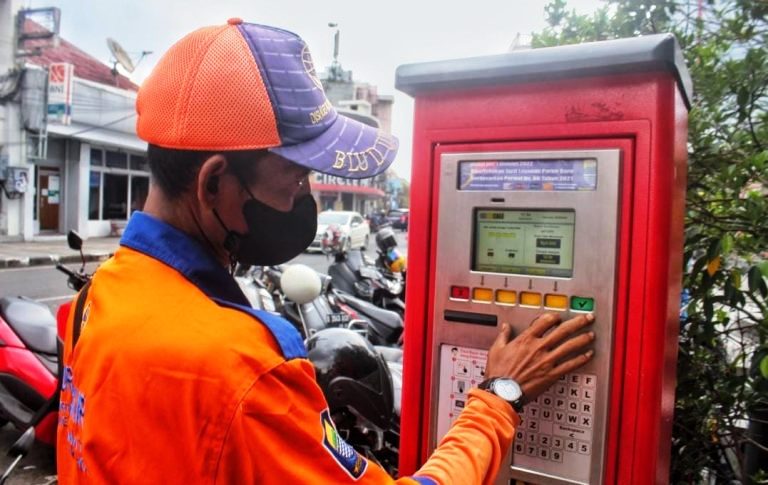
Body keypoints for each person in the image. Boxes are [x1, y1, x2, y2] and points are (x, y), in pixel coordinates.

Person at [56, 19, 595, 484]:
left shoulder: (93, 302)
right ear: (215, 181)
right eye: (294, 178)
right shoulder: (240, 372)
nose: (302, 199)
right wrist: (499, 397)